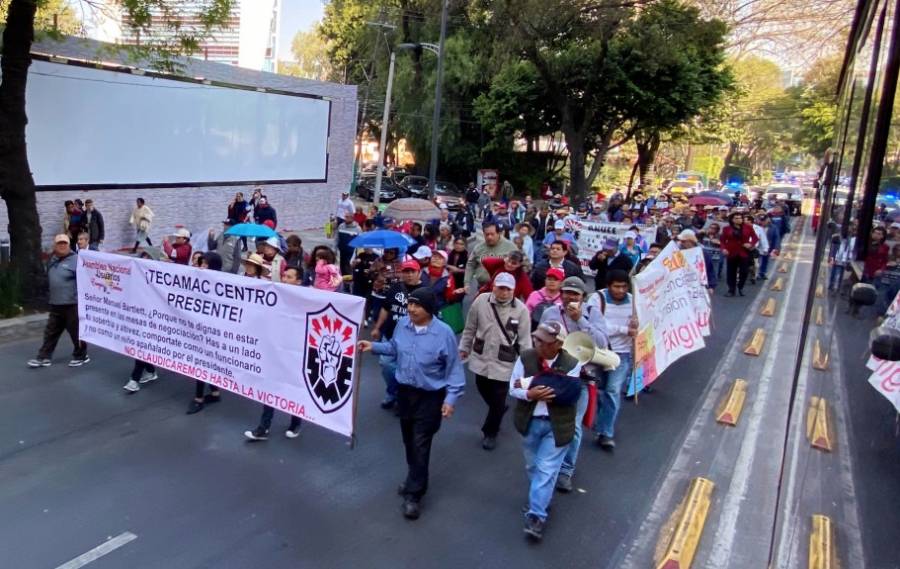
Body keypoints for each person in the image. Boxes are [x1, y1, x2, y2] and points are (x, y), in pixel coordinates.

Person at [358, 288, 465, 520]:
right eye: (410, 304)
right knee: (409, 441)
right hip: (405, 394)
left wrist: (450, 399)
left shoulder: (444, 333)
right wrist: (372, 346)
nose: (412, 309)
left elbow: (454, 369)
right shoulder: (403, 325)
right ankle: (412, 477)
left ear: (429, 309)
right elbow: (395, 349)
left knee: (420, 443)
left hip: (429, 397)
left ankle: (414, 494)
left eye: (417, 305)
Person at [509, 321, 582, 541]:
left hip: (556, 425)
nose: (537, 343)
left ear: (557, 344)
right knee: (533, 466)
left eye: (543, 341)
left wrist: (530, 383)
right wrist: (530, 394)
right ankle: (540, 499)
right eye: (537, 338)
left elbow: (567, 392)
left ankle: (537, 515)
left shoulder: (573, 363)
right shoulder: (525, 358)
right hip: (530, 421)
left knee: (546, 468)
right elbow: (513, 387)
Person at [539, 276, 608, 492]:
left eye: (575, 294)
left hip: (581, 379)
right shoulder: (551, 312)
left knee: (574, 427)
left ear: (583, 297)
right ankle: (546, 463)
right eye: (566, 293)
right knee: (546, 421)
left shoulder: (592, 313)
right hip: (555, 375)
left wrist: (581, 320)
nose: (569, 298)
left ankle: (565, 471)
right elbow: (541, 339)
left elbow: (602, 342)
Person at [459, 273, 532, 450]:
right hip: (481, 356)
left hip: (504, 361)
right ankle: (498, 410)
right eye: (501, 288)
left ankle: (491, 432)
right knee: (483, 388)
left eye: (508, 289)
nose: (504, 292)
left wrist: (528, 368)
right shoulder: (481, 301)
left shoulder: (521, 310)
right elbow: (470, 327)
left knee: (498, 397)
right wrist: (464, 347)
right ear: (494, 287)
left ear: (513, 290)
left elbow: (524, 340)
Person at [244, 266, 305, 441]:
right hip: (275, 348)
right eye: (284, 276)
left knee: (293, 387)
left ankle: (295, 422)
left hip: (294, 351)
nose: (285, 279)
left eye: (290, 277)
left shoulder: (305, 299)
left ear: (299, 281)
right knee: (270, 386)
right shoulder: (276, 295)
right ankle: (264, 427)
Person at [588, 270, 637, 450]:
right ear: (608, 286)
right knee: (599, 390)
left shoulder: (634, 301)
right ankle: (602, 419)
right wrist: (625, 330)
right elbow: (598, 326)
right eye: (616, 286)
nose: (620, 290)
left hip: (621, 354)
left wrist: (637, 325)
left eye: (624, 286)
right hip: (599, 352)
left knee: (612, 390)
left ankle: (606, 433)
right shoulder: (596, 299)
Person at [371, 260, 426, 408]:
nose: (408, 275)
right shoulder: (395, 287)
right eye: (406, 271)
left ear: (419, 272)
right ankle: (393, 392)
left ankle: (402, 397)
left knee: (409, 369)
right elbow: (386, 308)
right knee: (386, 364)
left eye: (412, 272)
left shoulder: (425, 291)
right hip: (390, 335)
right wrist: (377, 327)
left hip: (413, 339)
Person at [186, 252, 237, 413]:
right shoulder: (202, 279)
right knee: (205, 362)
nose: (201, 266)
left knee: (202, 363)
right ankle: (214, 392)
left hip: (211, 330)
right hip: (202, 327)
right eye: (200, 263)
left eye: (205, 264)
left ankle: (199, 398)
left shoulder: (219, 283)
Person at [27, 235, 89, 368]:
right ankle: (44, 357)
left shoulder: (76, 260)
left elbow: (85, 280)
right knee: (50, 332)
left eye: (65, 243)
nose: (62, 246)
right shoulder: (52, 260)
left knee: (76, 332)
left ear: (69, 245)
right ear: (55, 246)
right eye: (59, 243)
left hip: (72, 304)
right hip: (55, 304)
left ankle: (81, 356)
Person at [465, 222, 517, 291]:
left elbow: (521, 264)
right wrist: (467, 283)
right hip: (482, 287)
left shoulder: (511, 247)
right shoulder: (478, 248)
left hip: (503, 290)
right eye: (487, 234)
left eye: (492, 234)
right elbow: (470, 264)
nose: (489, 237)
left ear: (499, 233)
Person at [721, 212, 758, 297]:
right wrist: (724, 249)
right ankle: (731, 290)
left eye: (740, 218)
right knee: (731, 272)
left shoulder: (748, 227)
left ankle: (740, 287)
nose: (739, 220)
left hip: (744, 252)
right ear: (732, 220)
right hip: (731, 252)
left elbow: (755, 238)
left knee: (744, 271)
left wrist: (751, 244)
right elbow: (722, 240)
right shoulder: (727, 228)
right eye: (736, 218)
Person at [751, 215, 770, 283]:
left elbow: (763, 239)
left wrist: (765, 249)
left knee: (755, 265)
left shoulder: (758, 228)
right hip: (744, 249)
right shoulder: (741, 228)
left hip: (755, 249)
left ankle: (754, 276)